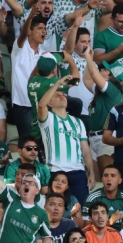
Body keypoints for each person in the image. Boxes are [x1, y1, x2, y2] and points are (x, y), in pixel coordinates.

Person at [36, 74, 96, 205]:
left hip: (78, 173)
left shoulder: (78, 122)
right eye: (57, 95)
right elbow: (41, 105)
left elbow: (85, 149)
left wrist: (91, 172)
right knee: (55, 210)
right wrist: (57, 83)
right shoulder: (48, 120)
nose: (62, 96)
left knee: (82, 209)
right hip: (56, 172)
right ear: (50, 103)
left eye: (64, 95)